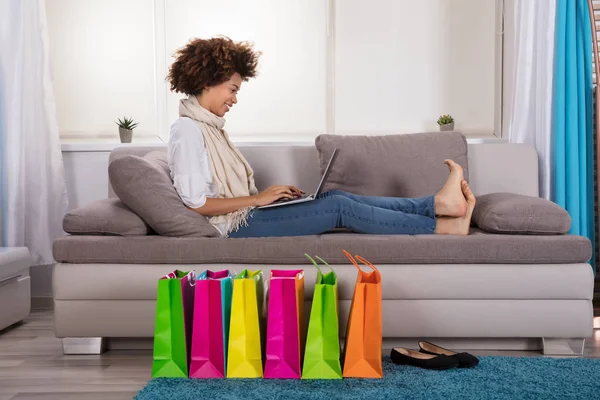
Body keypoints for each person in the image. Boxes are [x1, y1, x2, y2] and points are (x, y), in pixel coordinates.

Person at [167, 37, 476, 238]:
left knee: (337, 197)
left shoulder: (209, 127)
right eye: (232, 89)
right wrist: (258, 199)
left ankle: (436, 204)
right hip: (231, 228)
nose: (235, 99)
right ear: (208, 82)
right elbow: (196, 204)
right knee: (338, 209)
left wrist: (265, 200)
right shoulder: (187, 130)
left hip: (244, 216)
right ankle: (442, 226)